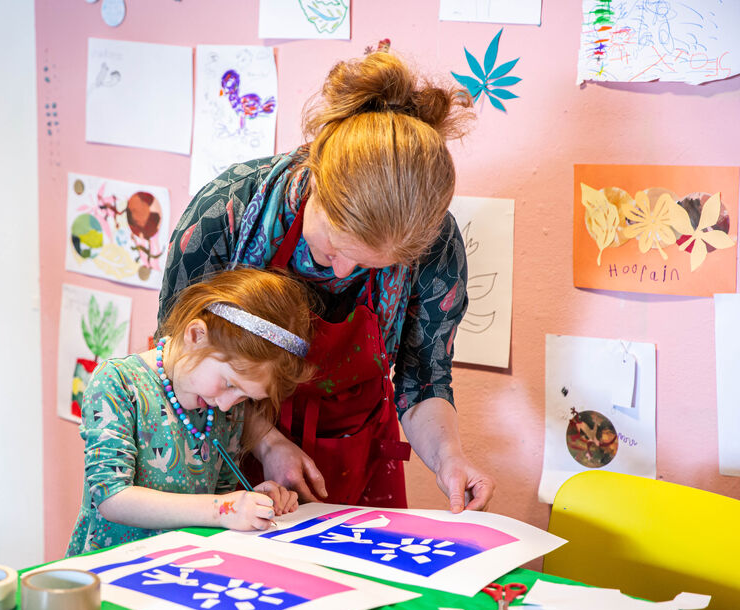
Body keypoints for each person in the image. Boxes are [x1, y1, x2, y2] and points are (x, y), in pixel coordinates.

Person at [158, 49, 496, 513]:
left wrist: (448, 458)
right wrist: (266, 441)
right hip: (224, 436)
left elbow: (423, 379)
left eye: (370, 265)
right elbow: (177, 357)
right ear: (316, 179)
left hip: (355, 451)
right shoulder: (226, 212)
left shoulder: (434, 243)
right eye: (334, 248)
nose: (341, 272)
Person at [66, 268, 316, 556]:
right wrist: (224, 509)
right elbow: (112, 498)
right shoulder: (118, 383)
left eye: (245, 396)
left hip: (181, 566)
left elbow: (217, 499)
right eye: (229, 383)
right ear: (196, 335)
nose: (227, 404)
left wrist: (250, 502)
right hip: (111, 568)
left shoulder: (224, 410)